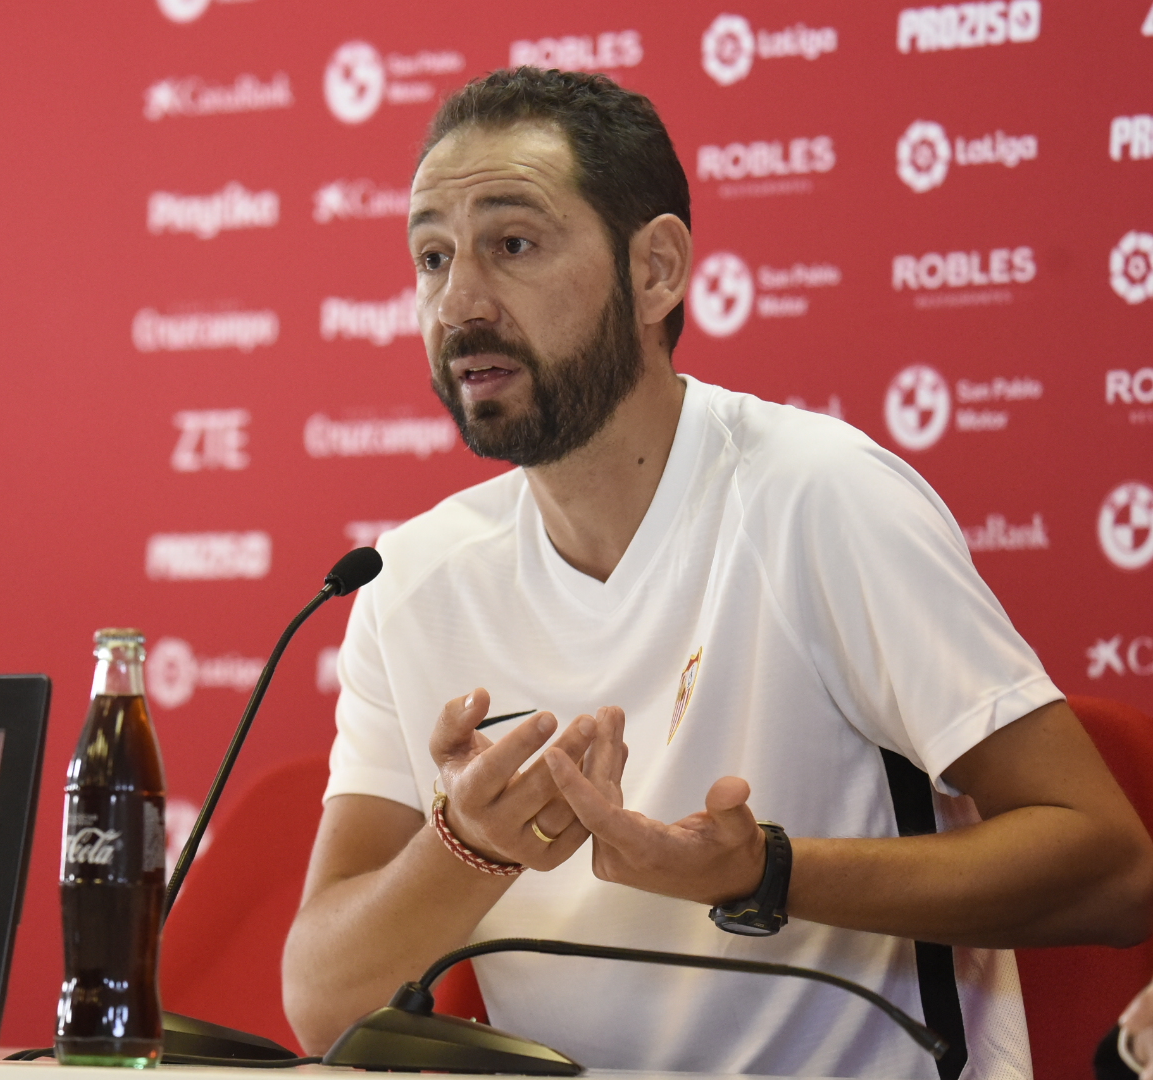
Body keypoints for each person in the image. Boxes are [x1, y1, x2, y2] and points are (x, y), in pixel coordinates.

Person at [281, 67, 1153, 1079]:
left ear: (656, 271)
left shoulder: (820, 498)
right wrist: (469, 840)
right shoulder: (409, 580)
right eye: (432, 258)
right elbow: (324, 1002)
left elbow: (1110, 865)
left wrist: (765, 870)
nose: (459, 302)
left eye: (512, 245)